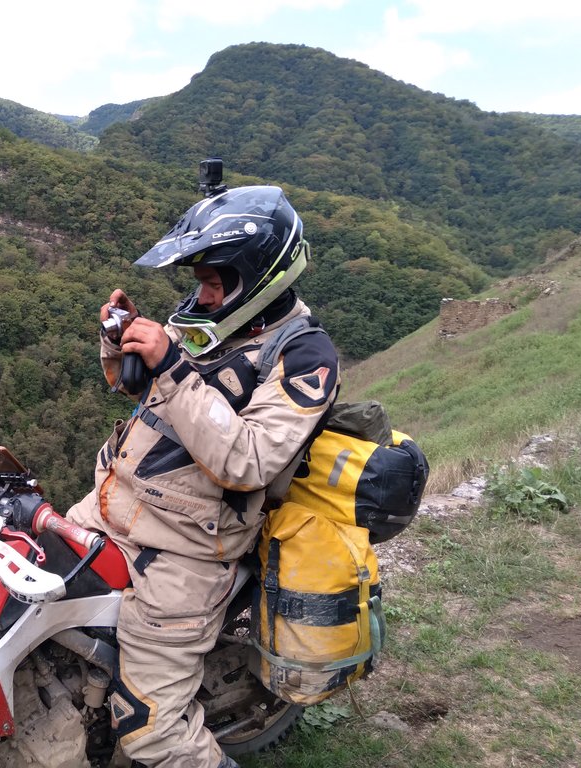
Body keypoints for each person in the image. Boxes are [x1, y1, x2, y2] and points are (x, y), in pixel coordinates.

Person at [66, 183, 340, 768]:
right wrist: (120, 345)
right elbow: (148, 395)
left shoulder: (304, 356)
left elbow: (248, 462)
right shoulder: (212, 325)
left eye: (216, 282)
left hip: (184, 554)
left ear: (260, 277)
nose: (204, 294)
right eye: (200, 281)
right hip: (110, 508)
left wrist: (171, 364)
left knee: (153, 733)